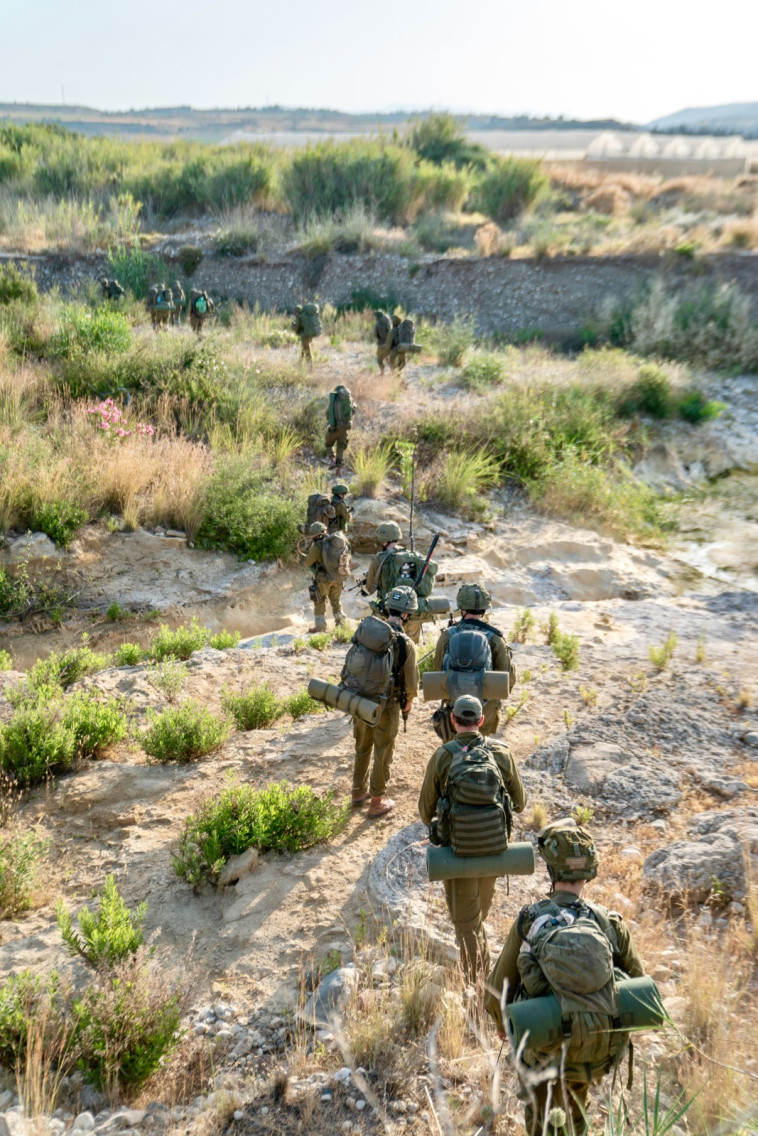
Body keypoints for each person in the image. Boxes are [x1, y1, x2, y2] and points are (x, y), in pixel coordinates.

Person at [484, 819, 646, 1136]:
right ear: (589, 872)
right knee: (575, 1114)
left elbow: (497, 991)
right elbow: (639, 989)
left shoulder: (530, 920)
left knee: (542, 1121)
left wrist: (505, 1027)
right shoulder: (610, 922)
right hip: (593, 1047)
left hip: (543, 1046)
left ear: (551, 871)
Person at [418, 695, 526, 981]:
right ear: (481, 720)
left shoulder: (443, 756)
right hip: (494, 850)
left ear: (453, 720)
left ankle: (479, 984)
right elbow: (521, 802)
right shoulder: (501, 753)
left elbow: (424, 811)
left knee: (466, 923)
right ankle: (480, 972)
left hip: (459, 853)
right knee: (476, 918)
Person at [351, 586, 419, 817]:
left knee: (362, 747)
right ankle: (376, 801)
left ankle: (358, 792)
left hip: (360, 699)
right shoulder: (405, 642)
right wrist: (408, 701)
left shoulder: (368, 631)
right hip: (386, 706)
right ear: (406, 614)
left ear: (387, 609)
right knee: (383, 751)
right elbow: (411, 683)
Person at [433, 584, 516, 737]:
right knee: (480, 748)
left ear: (461, 607)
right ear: (484, 609)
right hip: (484, 710)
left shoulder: (448, 635)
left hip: (454, 707)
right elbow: (508, 679)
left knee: (452, 749)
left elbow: (438, 669)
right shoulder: (495, 638)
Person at [363, 522, 438, 645]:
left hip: (389, 614)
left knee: (386, 648)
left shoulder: (379, 559)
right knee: (411, 650)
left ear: (383, 540)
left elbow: (370, 588)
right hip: (412, 613)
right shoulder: (413, 556)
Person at [303, 521, 350, 633]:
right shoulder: (336, 543)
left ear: (314, 535)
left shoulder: (318, 546)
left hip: (324, 579)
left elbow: (308, 562)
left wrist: (316, 572)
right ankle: (342, 626)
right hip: (338, 578)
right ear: (325, 531)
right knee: (336, 601)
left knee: (319, 601)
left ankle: (320, 627)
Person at [324, 384, 355, 472]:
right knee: (341, 447)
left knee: (328, 444)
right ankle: (339, 470)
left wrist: (331, 422)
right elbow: (353, 412)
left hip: (334, 428)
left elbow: (327, 414)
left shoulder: (334, 401)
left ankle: (332, 460)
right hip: (345, 428)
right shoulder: (349, 401)